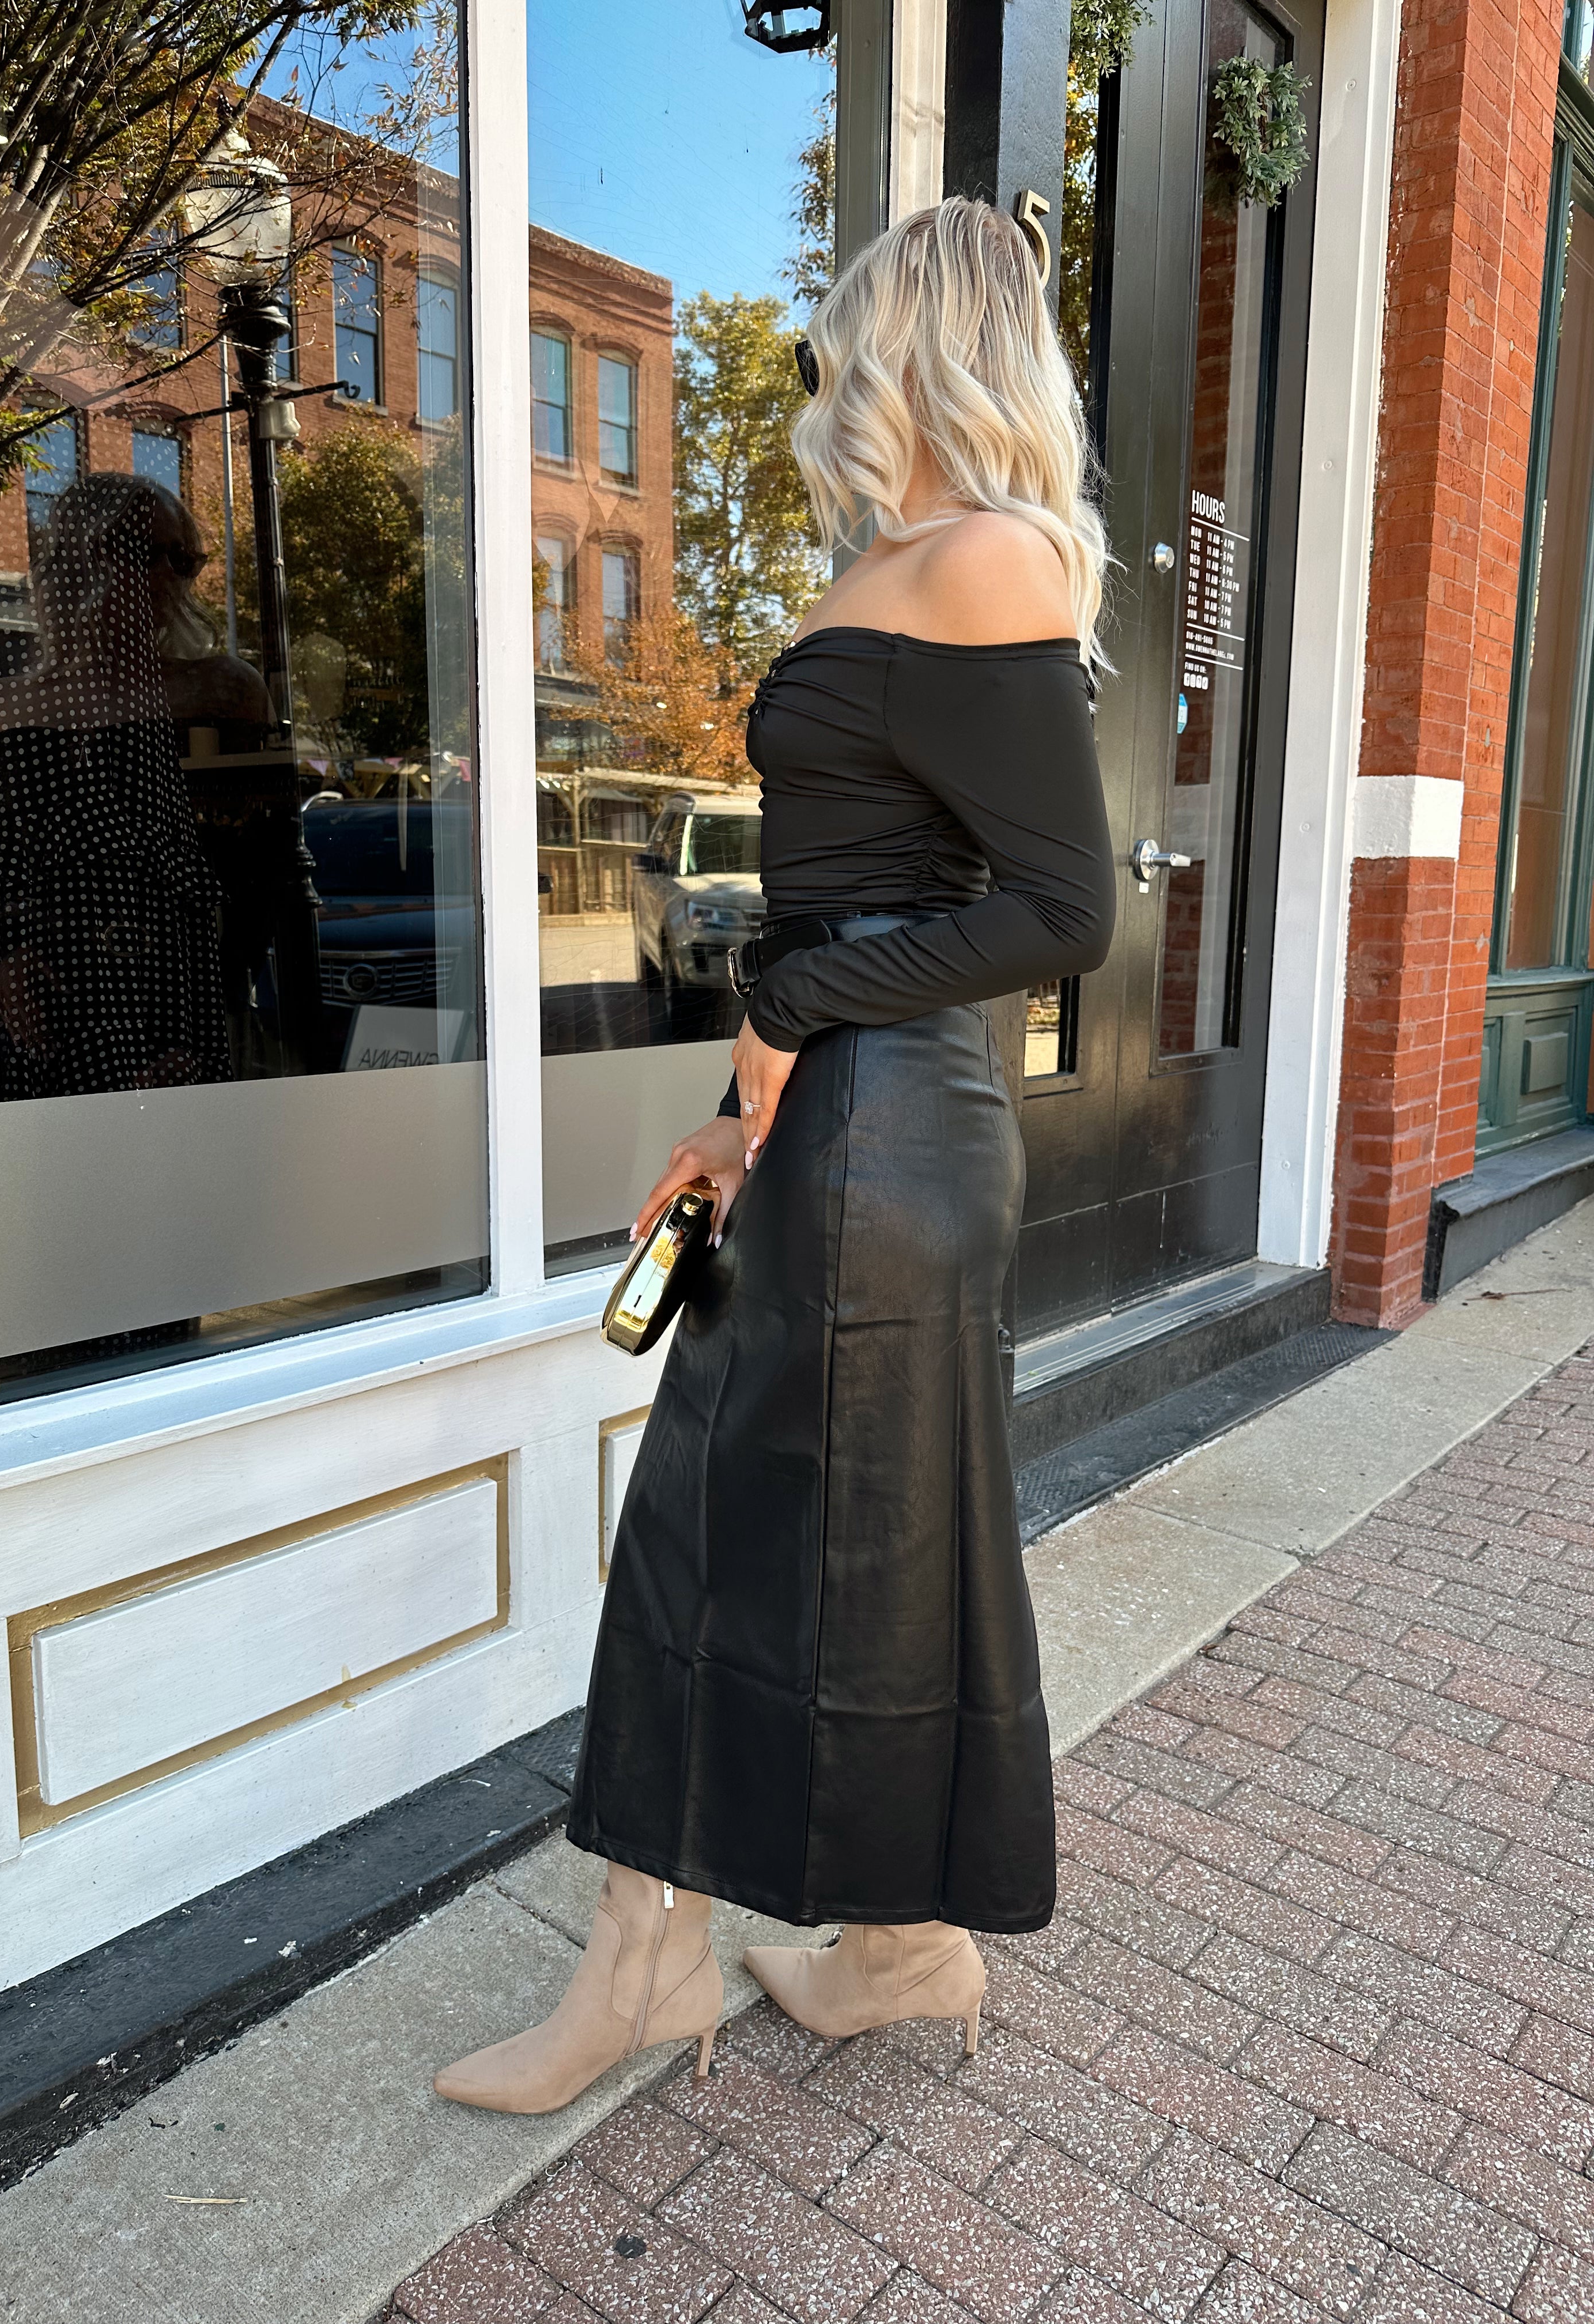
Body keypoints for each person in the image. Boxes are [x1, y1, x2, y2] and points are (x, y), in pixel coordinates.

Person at [435, 196, 1117, 2114]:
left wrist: (797, 1018)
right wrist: (742, 1116)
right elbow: (853, 893)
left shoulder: (988, 557)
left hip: (893, 1124)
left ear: (918, 341)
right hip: (845, 1122)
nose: (824, 367)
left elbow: (1063, 909)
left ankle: (653, 1965)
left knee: (717, 1529)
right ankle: (895, 1946)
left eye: (847, 332)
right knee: (852, 1532)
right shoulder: (905, 560)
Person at [0, 472, 232, 1103]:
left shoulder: (219, 691)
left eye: (183, 560)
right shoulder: (5, 707)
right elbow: (1, 872)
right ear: (81, 561)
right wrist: (7, 967)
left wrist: (209, 1016)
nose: (168, 577)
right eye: (144, 553)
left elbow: (256, 875)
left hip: (173, 995)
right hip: (50, 1006)